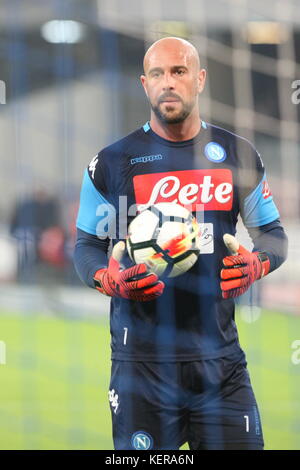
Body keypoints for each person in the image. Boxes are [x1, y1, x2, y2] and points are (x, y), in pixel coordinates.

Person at [74, 37, 288, 450]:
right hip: (141, 371)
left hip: (220, 365)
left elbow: (273, 236)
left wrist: (258, 263)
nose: (167, 82)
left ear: (200, 79)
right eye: (157, 73)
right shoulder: (111, 163)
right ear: (144, 83)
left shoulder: (236, 155)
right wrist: (106, 278)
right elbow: (85, 245)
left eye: (178, 71)